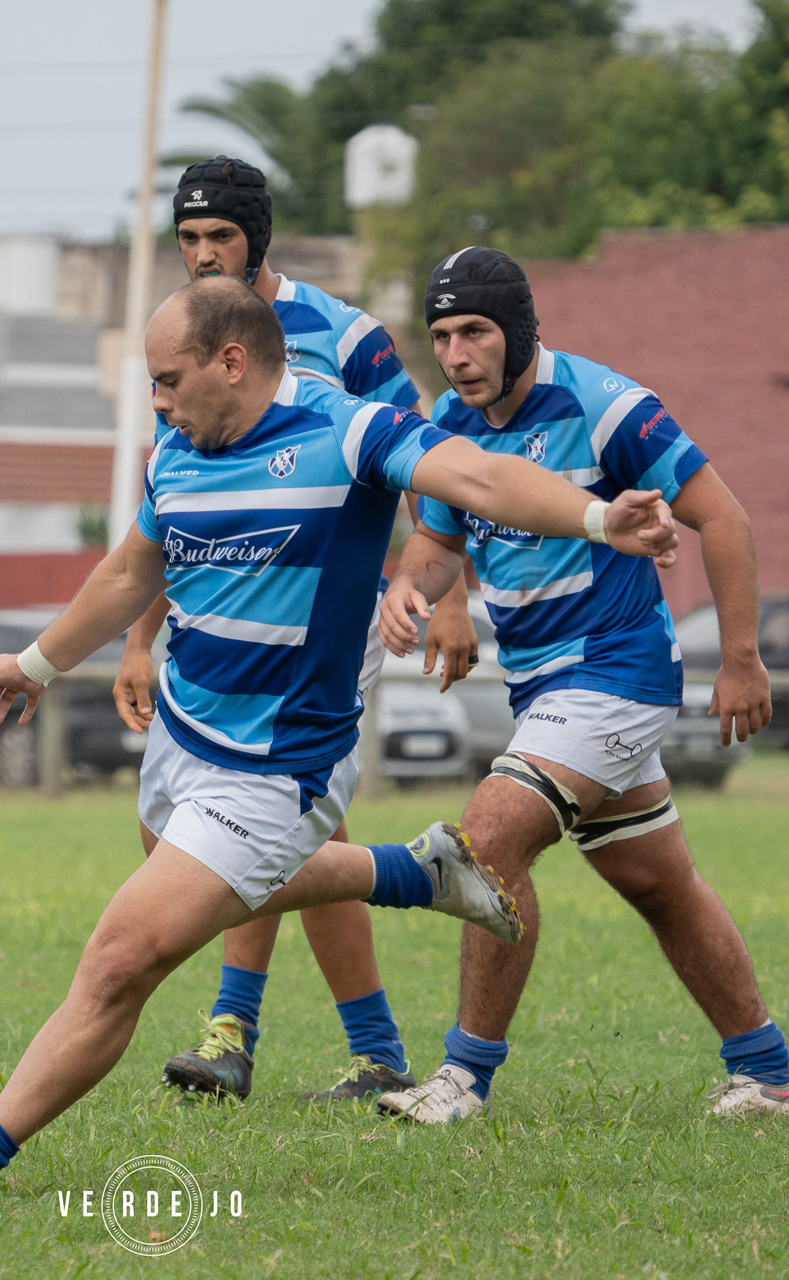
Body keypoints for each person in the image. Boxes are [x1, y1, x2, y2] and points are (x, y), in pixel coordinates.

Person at [0, 275, 680, 1199]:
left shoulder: (347, 431)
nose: (157, 400)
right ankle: (419, 874)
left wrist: (594, 516)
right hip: (181, 738)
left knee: (119, 961)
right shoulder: (175, 452)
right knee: (223, 890)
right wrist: (38, 663)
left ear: (233, 361)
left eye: (168, 378)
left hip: (275, 771)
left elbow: (478, 474)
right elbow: (131, 569)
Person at [372, 247, 789, 1125]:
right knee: (659, 884)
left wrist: (741, 658)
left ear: (521, 329)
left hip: (616, 672)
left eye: (475, 333)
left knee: (488, 841)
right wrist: (409, 586)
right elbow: (441, 546)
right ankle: (770, 1078)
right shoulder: (452, 434)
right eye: (442, 336)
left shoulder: (605, 405)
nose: (456, 355)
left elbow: (721, 515)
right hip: (544, 692)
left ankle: (462, 1080)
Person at [115, 155, 481, 1103]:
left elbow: (426, 468)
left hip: (331, 609)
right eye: (188, 240)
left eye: (219, 238)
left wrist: (442, 593)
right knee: (224, 827)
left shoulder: (348, 339)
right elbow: (178, 513)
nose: (202, 257)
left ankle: (233, 1029)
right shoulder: (181, 341)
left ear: (258, 237)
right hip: (221, 619)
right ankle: (374, 1045)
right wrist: (137, 638)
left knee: (246, 804)